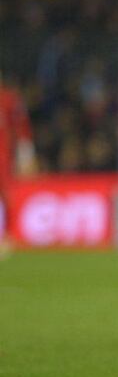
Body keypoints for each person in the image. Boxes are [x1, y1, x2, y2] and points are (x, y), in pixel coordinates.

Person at [0, 73, 37, 252]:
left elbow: (22, 126)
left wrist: (25, 153)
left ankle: (8, 235)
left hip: (3, 156)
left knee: (6, 195)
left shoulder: (9, 99)